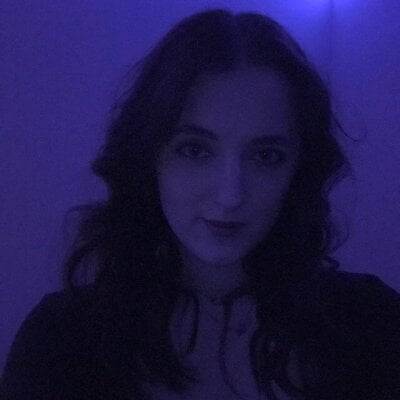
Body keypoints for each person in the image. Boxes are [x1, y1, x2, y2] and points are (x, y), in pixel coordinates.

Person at [2, 7, 399, 400]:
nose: (230, 196)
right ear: (150, 155)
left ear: (299, 169)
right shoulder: (61, 342)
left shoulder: (371, 325)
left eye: (266, 156)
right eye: (195, 150)